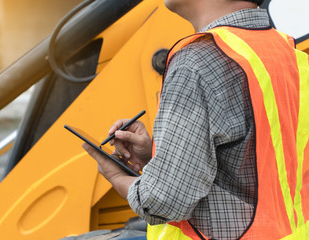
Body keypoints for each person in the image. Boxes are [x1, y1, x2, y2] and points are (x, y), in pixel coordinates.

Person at [83, 0, 309, 239]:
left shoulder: (197, 62)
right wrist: (161, 158)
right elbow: (261, 165)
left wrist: (116, 176)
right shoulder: (292, 57)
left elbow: (162, 200)